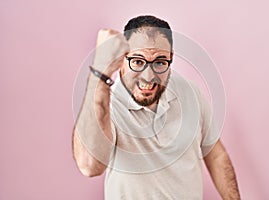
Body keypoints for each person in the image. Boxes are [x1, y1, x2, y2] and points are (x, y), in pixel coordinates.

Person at [73, 15, 241, 199]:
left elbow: (215, 154)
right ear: (122, 58)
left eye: (160, 62)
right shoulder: (107, 103)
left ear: (171, 59)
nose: (148, 76)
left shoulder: (189, 91)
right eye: (138, 61)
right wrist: (100, 70)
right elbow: (89, 166)